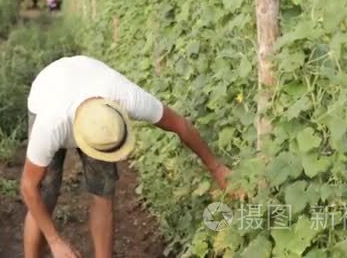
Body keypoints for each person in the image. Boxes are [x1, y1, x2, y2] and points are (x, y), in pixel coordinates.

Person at [21, 55, 236, 258]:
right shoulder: (50, 125)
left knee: (103, 191)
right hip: (48, 89)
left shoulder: (126, 98)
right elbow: (28, 187)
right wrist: (55, 241)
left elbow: (180, 125)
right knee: (45, 194)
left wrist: (217, 168)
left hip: (89, 83)